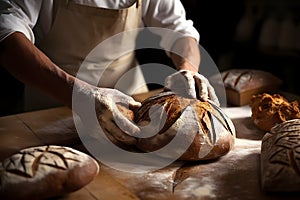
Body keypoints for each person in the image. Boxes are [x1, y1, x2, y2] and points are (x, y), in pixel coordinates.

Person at [0, 0, 219, 142]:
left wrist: (187, 71)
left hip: (133, 103)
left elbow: (179, 30)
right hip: (52, 104)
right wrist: (80, 96)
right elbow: (7, 37)